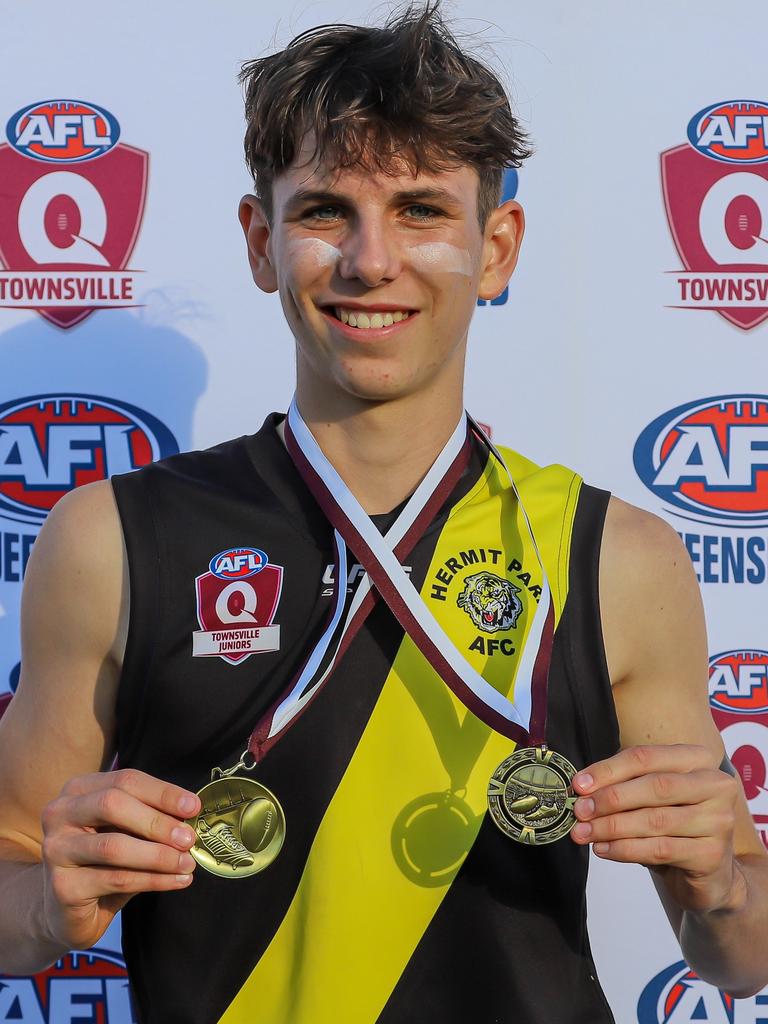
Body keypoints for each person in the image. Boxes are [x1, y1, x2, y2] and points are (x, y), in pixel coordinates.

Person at [1, 3, 767, 1022]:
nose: (370, 260)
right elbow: (10, 890)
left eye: (420, 211)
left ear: (496, 248)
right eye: (324, 211)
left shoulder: (616, 557)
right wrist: (47, 905)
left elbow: (740, 960)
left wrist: (720, 881)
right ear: (260, 240)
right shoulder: (112, 541)